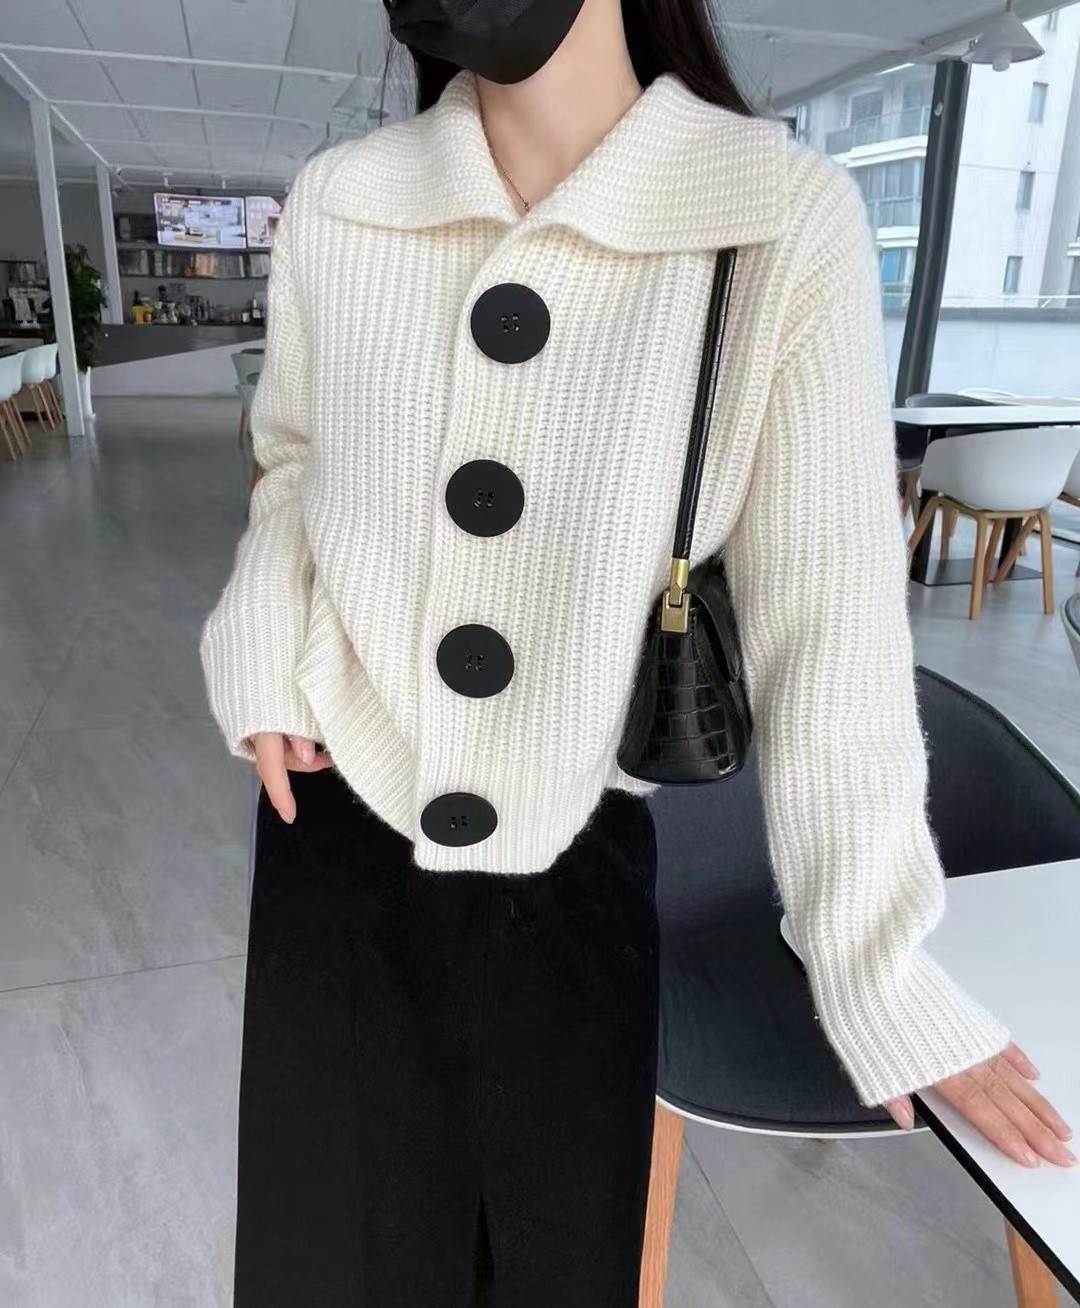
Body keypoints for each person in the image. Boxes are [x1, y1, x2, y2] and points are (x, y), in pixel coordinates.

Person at [199, 1, 1074, 1303]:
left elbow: (828, 629)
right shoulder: (345, 202)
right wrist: (267, 638)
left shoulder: (774, 219)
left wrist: (878, 971)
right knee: (328, 1269)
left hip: (577, 866)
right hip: (335, 836)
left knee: (557, 1272)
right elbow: (294, 462)